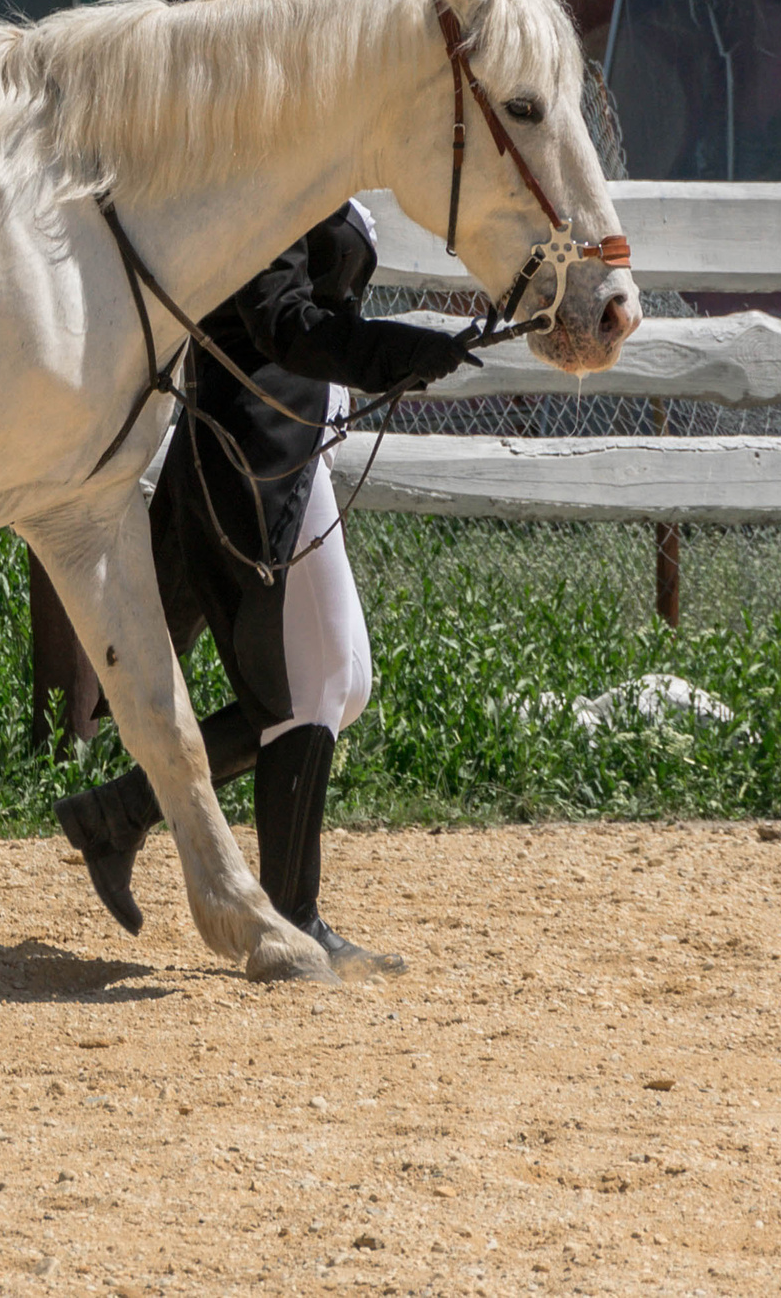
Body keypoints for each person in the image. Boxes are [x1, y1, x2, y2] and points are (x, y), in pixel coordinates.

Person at [52, 200, 476, 980]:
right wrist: (396, 353)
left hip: (294, 443)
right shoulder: (271, 173)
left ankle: (120, 813)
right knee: (308, 692)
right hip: (258, 449)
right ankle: (292, 917)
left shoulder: (314, 165)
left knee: (343, 686)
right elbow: (281, 319)